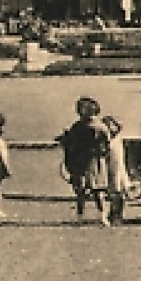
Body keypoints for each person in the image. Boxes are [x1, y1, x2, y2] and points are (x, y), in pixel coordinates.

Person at [58, 96, 112, 224]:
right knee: (90, 190)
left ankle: (94, 216)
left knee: (91, 191)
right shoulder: (90, 127)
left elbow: (105, 145)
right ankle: (95, 216)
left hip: (88, 161)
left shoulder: (92, 127)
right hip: (88, 161)